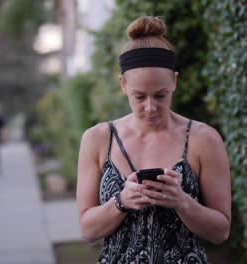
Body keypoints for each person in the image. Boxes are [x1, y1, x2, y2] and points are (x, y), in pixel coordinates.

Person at [77, 16, 231, 263]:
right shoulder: (98, 139)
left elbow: (221, 231)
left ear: (174, 81)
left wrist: (181, 202)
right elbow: (88, 230)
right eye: (140, 97)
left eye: (160, 95)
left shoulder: (203, 139)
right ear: (123, 85)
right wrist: (121, 201)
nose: (150, 107)